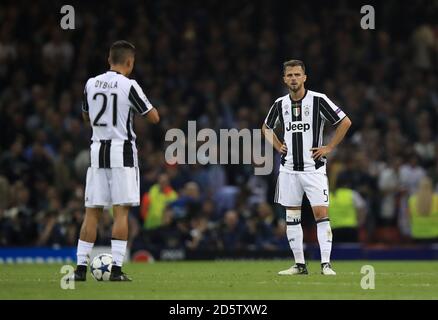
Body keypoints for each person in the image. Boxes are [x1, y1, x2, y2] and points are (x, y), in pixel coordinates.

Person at [71, 40, 160, 281]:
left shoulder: (90, 84)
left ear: (109, 60)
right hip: (123, 153)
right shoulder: (129, 85)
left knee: (92, 213)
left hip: (97, 151)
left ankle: (80, 270)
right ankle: (117, 271)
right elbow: (153, 117)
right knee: (121, 213)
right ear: (129, 62)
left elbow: (86, 116)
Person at [262, 59, 351, 275]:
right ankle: (299, 265)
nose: (293, 78)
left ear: (304, 77)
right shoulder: (280, 104)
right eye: (289, 75)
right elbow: (266, 127)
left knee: (321, 213)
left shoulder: (318, 100)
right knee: (292, 216)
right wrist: (277, 145)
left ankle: (326, 264)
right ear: (284, 79)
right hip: (289, 169)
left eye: (297, 74)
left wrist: (329, 147)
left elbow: (345, 122)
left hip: (314, 169)